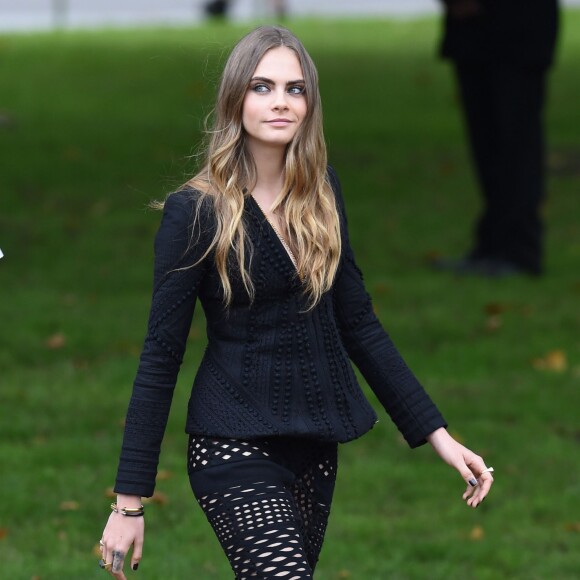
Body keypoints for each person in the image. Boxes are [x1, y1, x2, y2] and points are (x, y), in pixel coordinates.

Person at [99, 25, 494, 579]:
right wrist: (129, 502)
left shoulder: (321, 193)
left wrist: (438, 435)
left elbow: (358, 324)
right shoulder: (197, 212)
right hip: (230, 442)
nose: (280, 101)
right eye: (262, 87)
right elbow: (160, 357)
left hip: (312, 444)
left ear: (310, 103)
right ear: (235, 99)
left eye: (295, 88)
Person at [434, 0, 559, 277]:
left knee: (516, 144)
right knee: (487, 146)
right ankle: (492, 245)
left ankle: (519, 250)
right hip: (474, 32)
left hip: (517, 26)